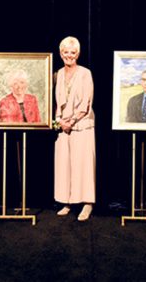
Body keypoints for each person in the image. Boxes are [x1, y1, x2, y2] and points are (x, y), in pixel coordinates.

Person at [54, 36, 95, 221]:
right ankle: (67, 201)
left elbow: (86, 102)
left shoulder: (85, 73)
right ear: (61, 53)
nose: (69, 55)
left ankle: (87, 204)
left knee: (83, 165)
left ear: (77, 54)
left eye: (72, 52)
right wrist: (59, 120)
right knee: (64, 165)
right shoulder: (58, 74)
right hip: (63, 126)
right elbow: (55, 102)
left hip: (82, 125)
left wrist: (71, 121)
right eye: (65, 52)